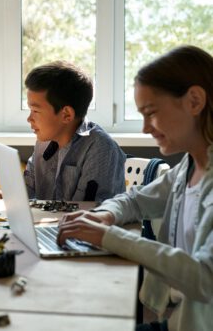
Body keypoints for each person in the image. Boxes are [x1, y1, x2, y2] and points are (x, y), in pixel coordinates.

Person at [57, 45, 213, 331]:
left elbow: (204, 279)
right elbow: (135, 201)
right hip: (179, 321)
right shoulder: (188, 168)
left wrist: (110, 237)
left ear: (194, 101)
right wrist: (106, 215)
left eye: (151, 112)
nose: (145, 128)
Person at [0, 61, 126, 202]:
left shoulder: (101, 149)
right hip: (52, 226)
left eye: (35, 110)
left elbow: (88, 213)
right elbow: (27, 194)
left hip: (83, 229)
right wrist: (0, 195)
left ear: (66, 114)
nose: (29, 118)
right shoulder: (43, 144)